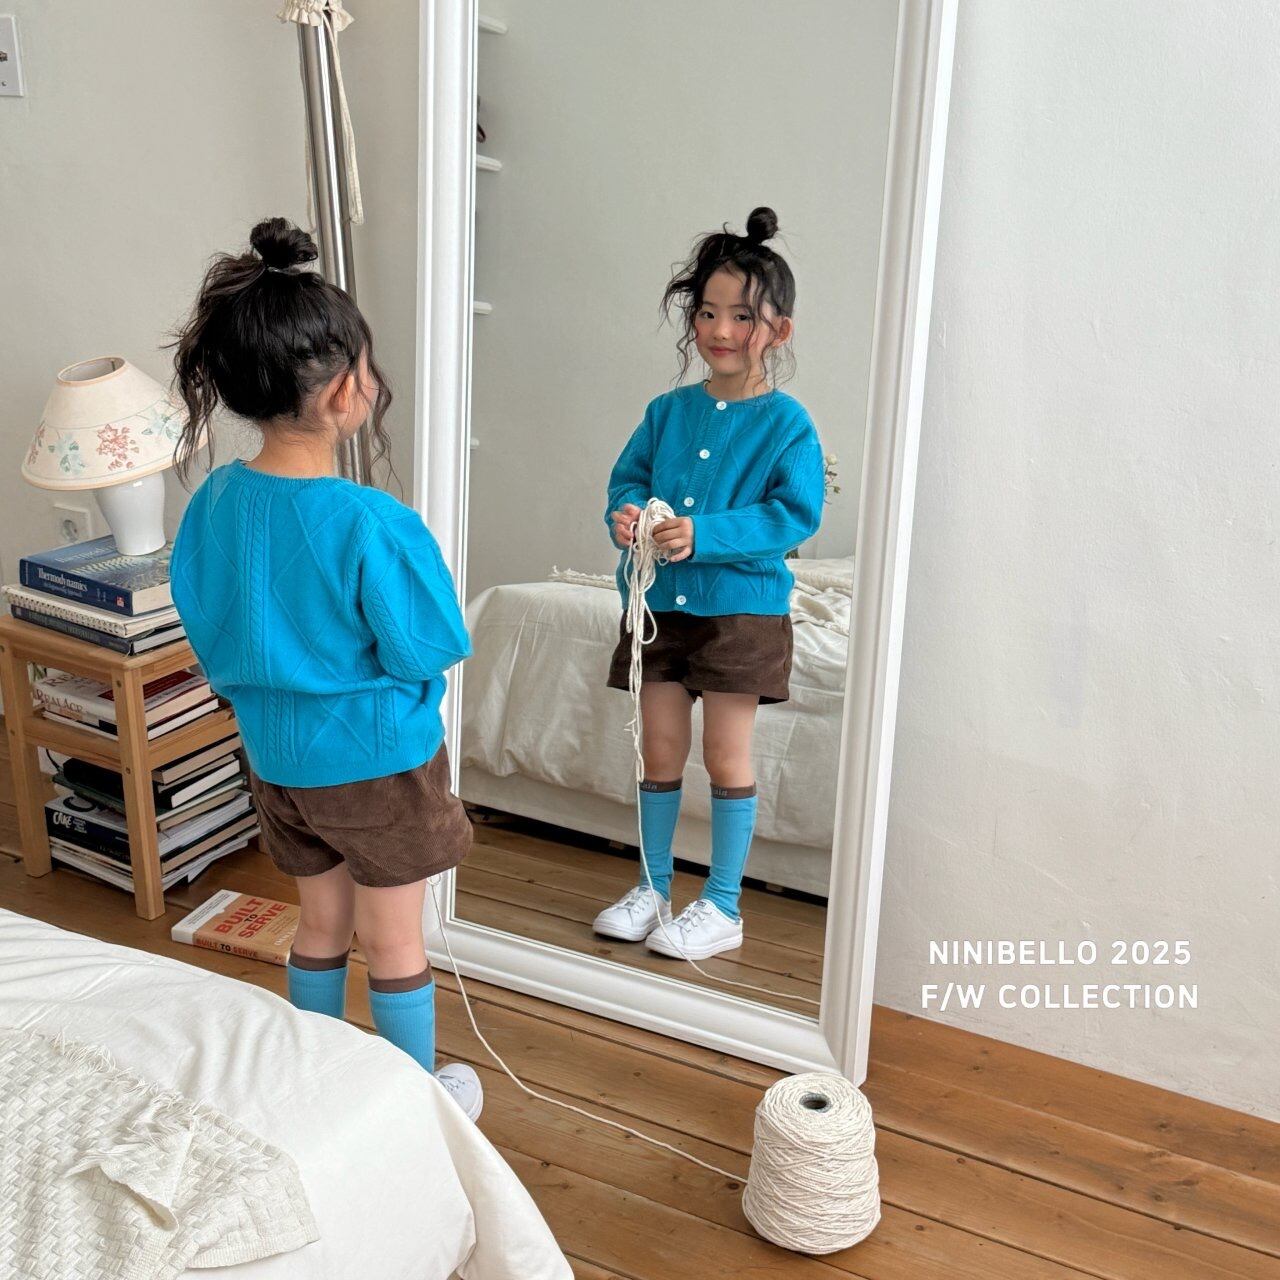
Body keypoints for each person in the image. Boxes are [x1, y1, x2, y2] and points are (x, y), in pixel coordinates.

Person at [169, 217, 482, 1119]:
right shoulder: (372, 522)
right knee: (394, 945)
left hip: (275, 760)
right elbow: (429, 646)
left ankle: (315, 1090)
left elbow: (203, 618)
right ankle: (414, 1110)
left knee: (318, 923)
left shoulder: (215, 502)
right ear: (346, 388)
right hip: (377, 766)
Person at [596, 207, 825, 960]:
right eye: (707, 313)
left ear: (779, 330)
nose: (720, 330)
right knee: (658, 751)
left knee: (726, 757)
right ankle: (652, 887)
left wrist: (707, 535)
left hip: (741, 614)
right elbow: (628, 479)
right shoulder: (666, 412)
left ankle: (723, 905)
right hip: (658, 608)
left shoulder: (787, 424)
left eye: (742, 316)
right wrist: (626, 515)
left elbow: (794, 514)